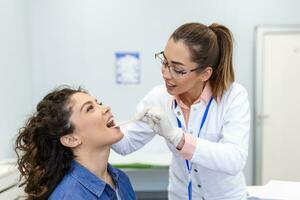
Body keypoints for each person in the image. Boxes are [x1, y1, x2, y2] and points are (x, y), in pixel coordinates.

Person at [112, 22, 250, 200]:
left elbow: (234, 160)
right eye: (164, 62)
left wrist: (178, 138)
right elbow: (126, 144)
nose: (166, 74)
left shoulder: (233, 97)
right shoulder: (158, 97)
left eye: (178, 70)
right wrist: (106, 127)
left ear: (205, 74)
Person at [15, 86, 136, 200]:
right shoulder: (71, 196)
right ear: (71, 139)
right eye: (89, 108)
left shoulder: (121, 179)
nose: (106, 108)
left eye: (98, 103)